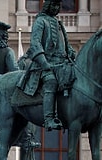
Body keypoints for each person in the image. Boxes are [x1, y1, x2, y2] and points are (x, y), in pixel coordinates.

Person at [19, 0, 76, 131]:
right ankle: (49, 119)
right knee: (51, 82)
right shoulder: (40, 21)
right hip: (44, 65)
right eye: (54, 5)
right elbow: (35, 44)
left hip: (61, 64)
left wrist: (71, 53)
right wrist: (44, 62)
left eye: (58, 6)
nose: (57, 8)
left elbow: (65, 44)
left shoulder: (59, 23)